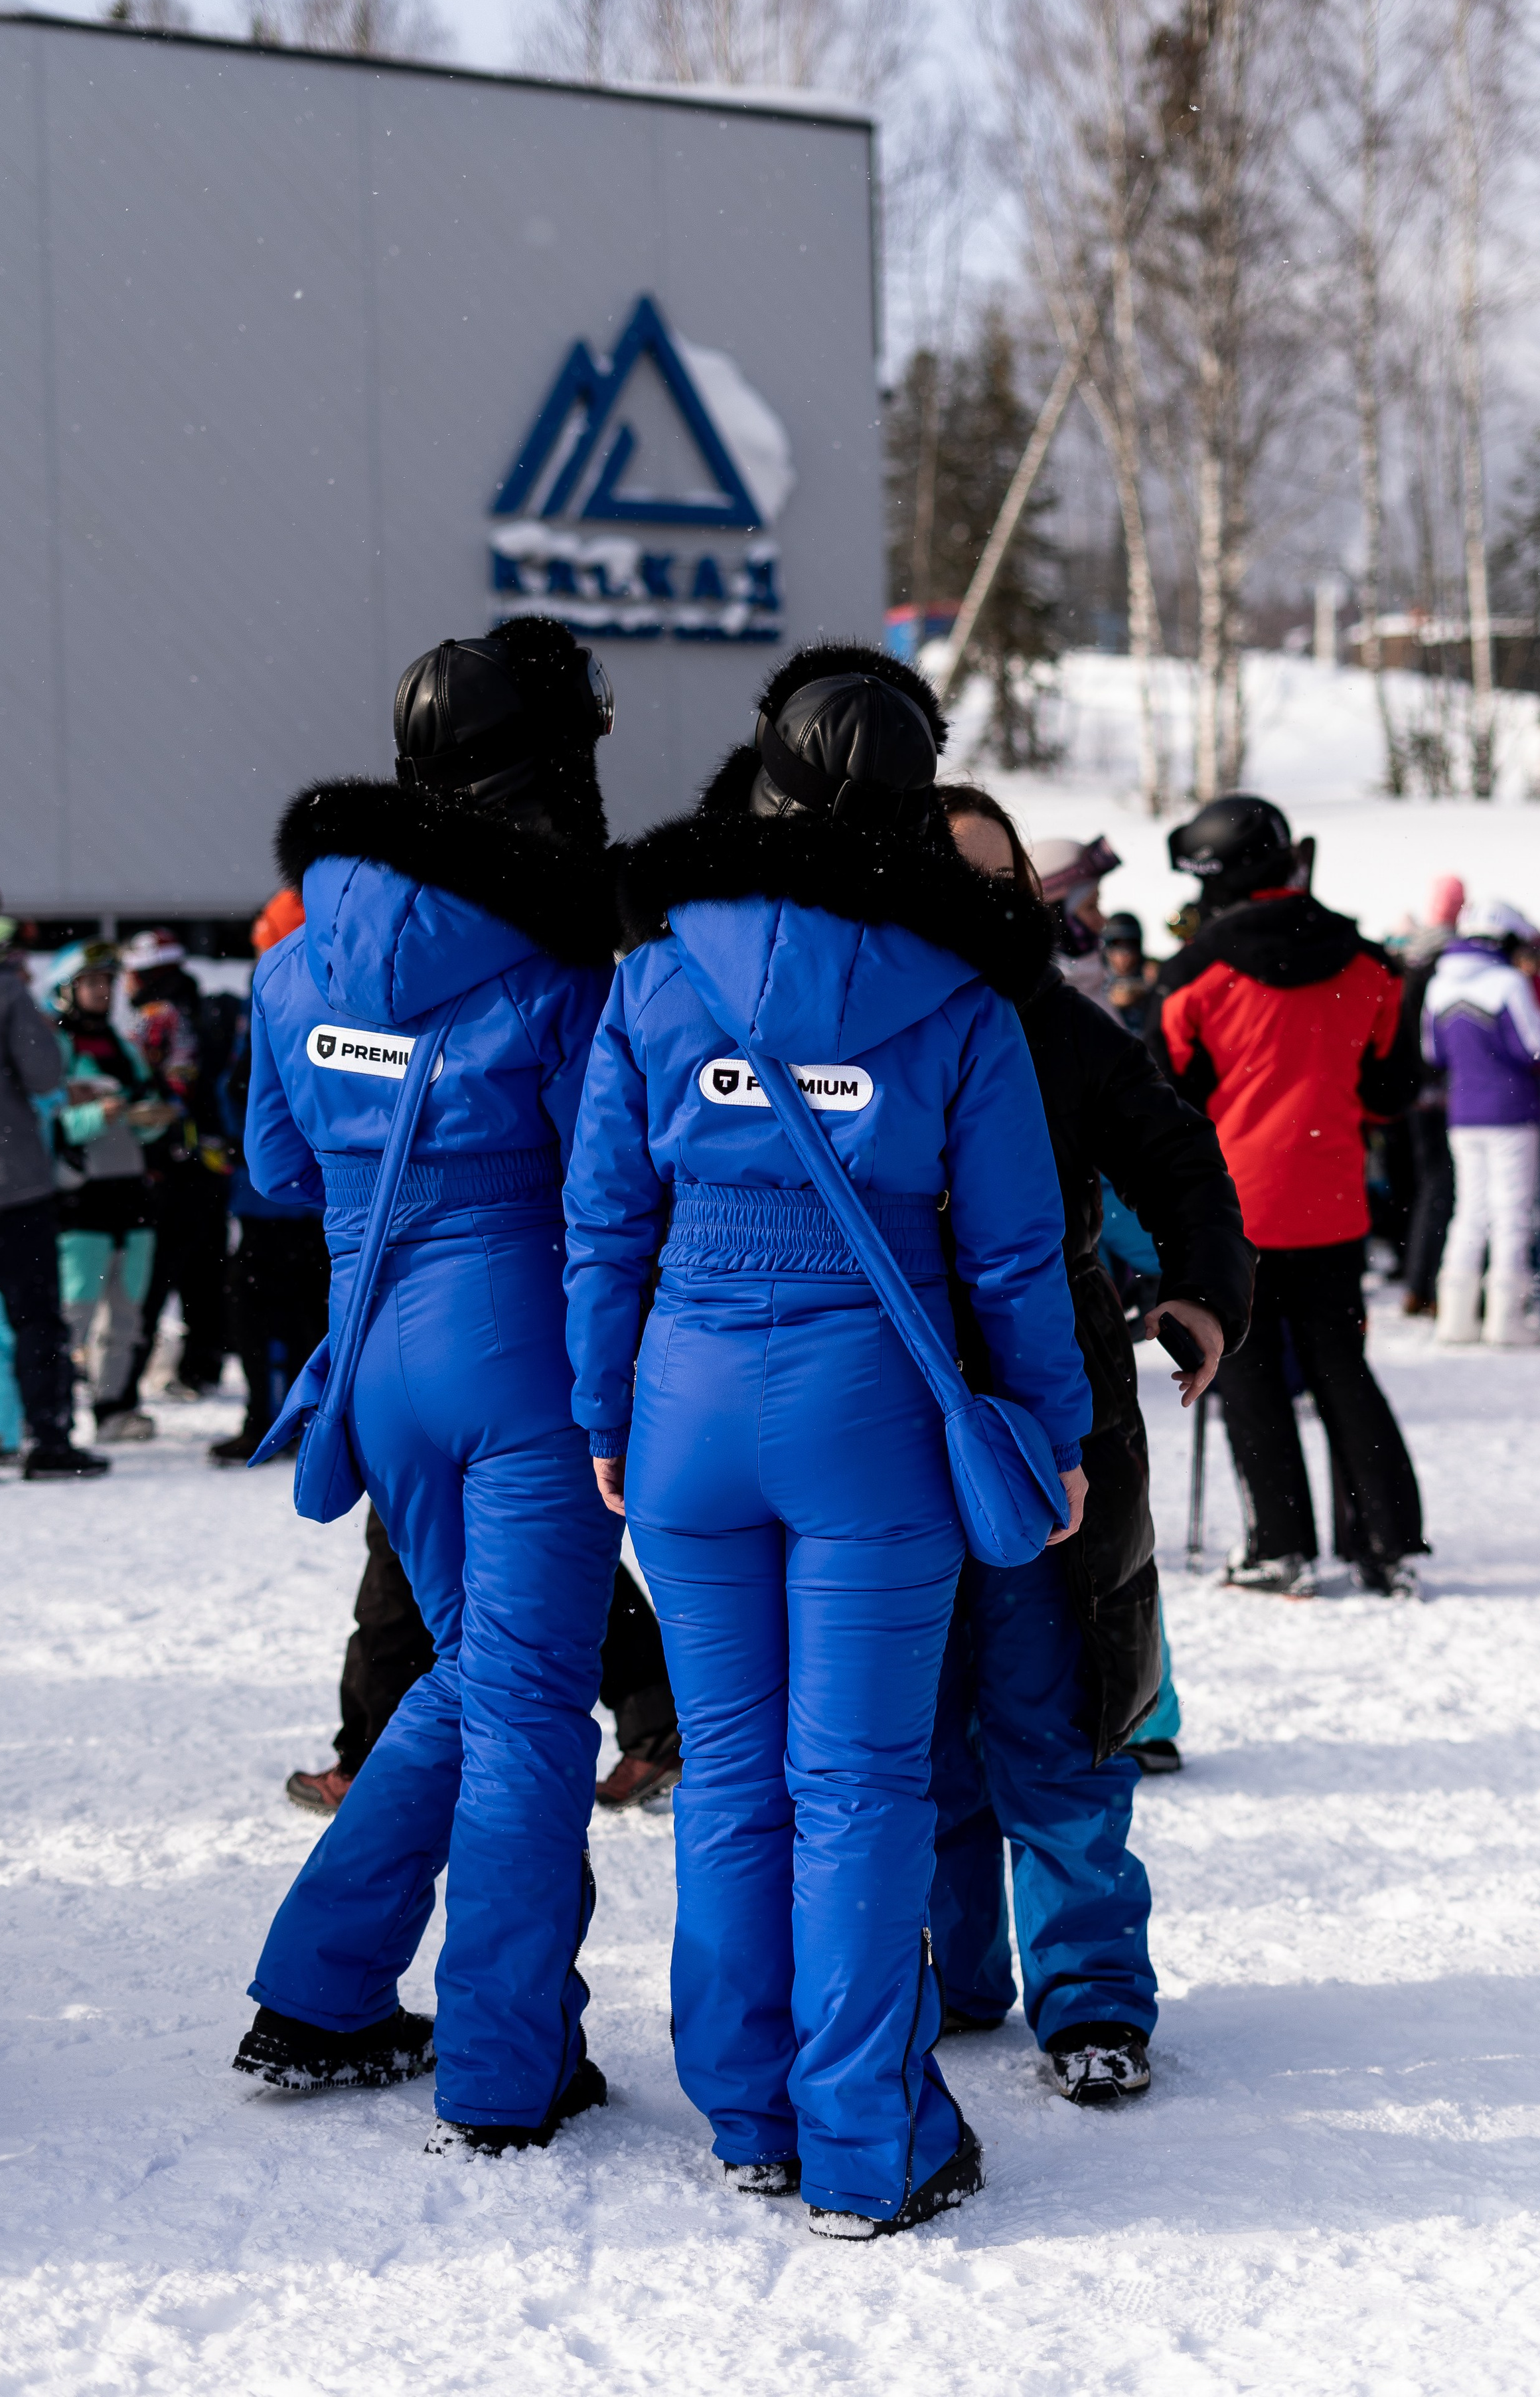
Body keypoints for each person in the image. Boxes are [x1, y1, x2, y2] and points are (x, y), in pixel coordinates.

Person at [563, 644, 1092, 2239]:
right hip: (871, 1406)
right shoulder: (957, 991)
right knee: (856, 1782)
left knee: (728, 1770)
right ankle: (865, 2140)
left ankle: (747, 2108)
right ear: (914, 811)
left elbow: (602, 1216)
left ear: (767, 781)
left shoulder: (657, 965)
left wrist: (604, 1404)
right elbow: (1013, 1254)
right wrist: (1051, 1433)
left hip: (687, 1397)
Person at [232, 617, 627, 2157]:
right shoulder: (559, 953)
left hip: (374, 1348)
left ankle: (323, 1990)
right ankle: (505, 2065)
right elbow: (613, 1180)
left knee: (471, 1672)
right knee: (524, 1695)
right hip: (523, 1346)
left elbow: (276, 1165)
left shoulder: (288, 956)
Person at [926, 785, 1253, 2109]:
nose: (982, 904)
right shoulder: (831, 1020)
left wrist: (1199, 1288)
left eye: (1002, 882)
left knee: (1053, 1713)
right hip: (877, 1424)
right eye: (948, 875)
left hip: (1046, 1419)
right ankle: (949, 1971)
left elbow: (1177, 1154)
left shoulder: (1054, 1025)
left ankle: (1091, 1995)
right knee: (912, 1729)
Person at [1148, 794, 1426, 1598]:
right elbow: (1390, 1090)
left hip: (1234, 1206)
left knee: (1247, 1374)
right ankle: (1383, 1540)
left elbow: (1168, 1095)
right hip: (1333, 1199)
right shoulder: (1371, 961)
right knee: (1343, 1368)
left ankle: (1278, 1546)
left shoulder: (1196, 971)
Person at [284, 1515, 679, 1819]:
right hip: (534, 1419)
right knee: (558, 1543)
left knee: (404, 1559)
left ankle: (374, 1767)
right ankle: (655, 1727)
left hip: (433, 1417)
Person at [0, 877, 108, 1479]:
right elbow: (43, 1073)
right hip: (11, 1186)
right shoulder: (1, 990)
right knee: (35, 1320)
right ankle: (48, 1440)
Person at [208, 892, 331, 1467]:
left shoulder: (277, 995)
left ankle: (273, 1419)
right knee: (305, 1310)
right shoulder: (331, 991)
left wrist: (241, 1149)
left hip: (278, 1196)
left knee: (261, 1311)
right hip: (314, 1197)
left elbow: (249, 1098)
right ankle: (303, 1420)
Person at [43, 942, 170, 1444]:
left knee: (127, 1315)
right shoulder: (52, 1049)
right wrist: (101, 1116)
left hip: (130, 1196)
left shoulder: (122, 1045)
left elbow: (144, 1111)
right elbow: (46, 1128)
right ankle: (50, 1414)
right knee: (73, 1314)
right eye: (92, 982)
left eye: (107, 982)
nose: (102, 991)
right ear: (66, 990)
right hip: (81, 1199)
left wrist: (150, 1121)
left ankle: (114, 1407)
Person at [1424, 902, 1540, 1347]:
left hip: (1463, 1112)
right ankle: (1507, 1319)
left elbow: (1434, 1054)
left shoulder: (1439, 983)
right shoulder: (1508, 982)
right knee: (1512, 1213)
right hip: (1512, 1110)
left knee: (1470, 1212)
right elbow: (1536, 1048)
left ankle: (1456, 1319)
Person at [114, 932, 233, 1402]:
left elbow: (158, 1092)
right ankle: (202, 1367)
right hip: (212, 1164)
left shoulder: (158, 1019)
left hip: (170, 1168)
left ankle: (124, 1381)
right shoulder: (206, 1012)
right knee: (206, 1274)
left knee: (152, 1278)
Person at [1395, 877, 1465, 1317]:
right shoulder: (1447, 959)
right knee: (1443, 1190)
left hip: (1412, 1092)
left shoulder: (1409, 955)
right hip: (1440, 1092)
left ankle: (1416, 1281)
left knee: (1424, 1189)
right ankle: (1428, 1285)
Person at [1030, 834, 1122, 1013]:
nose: (1103, 920)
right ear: (1056, 918)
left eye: (1098, 904)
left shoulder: (1091, 982)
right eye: (1090, 907)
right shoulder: (1047, 1003)